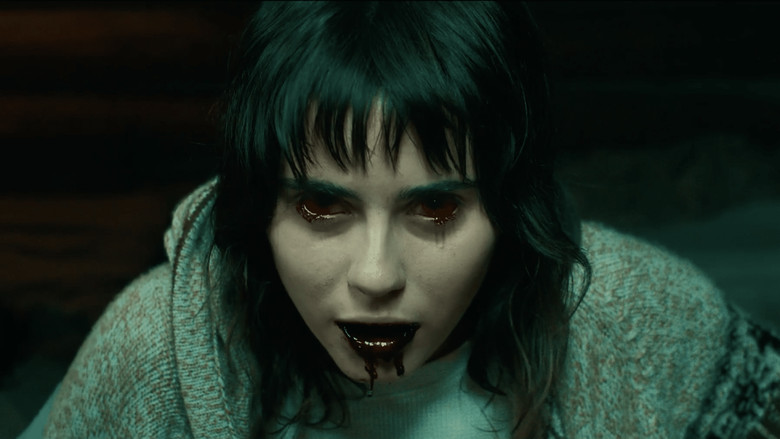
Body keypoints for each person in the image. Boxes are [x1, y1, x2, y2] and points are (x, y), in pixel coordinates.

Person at [20, 2, 780, 438]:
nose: (376, 276)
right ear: (256, 209)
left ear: (508, 210)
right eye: (321, 207)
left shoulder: (636, 315)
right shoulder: (152, 350)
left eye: (437, 207)